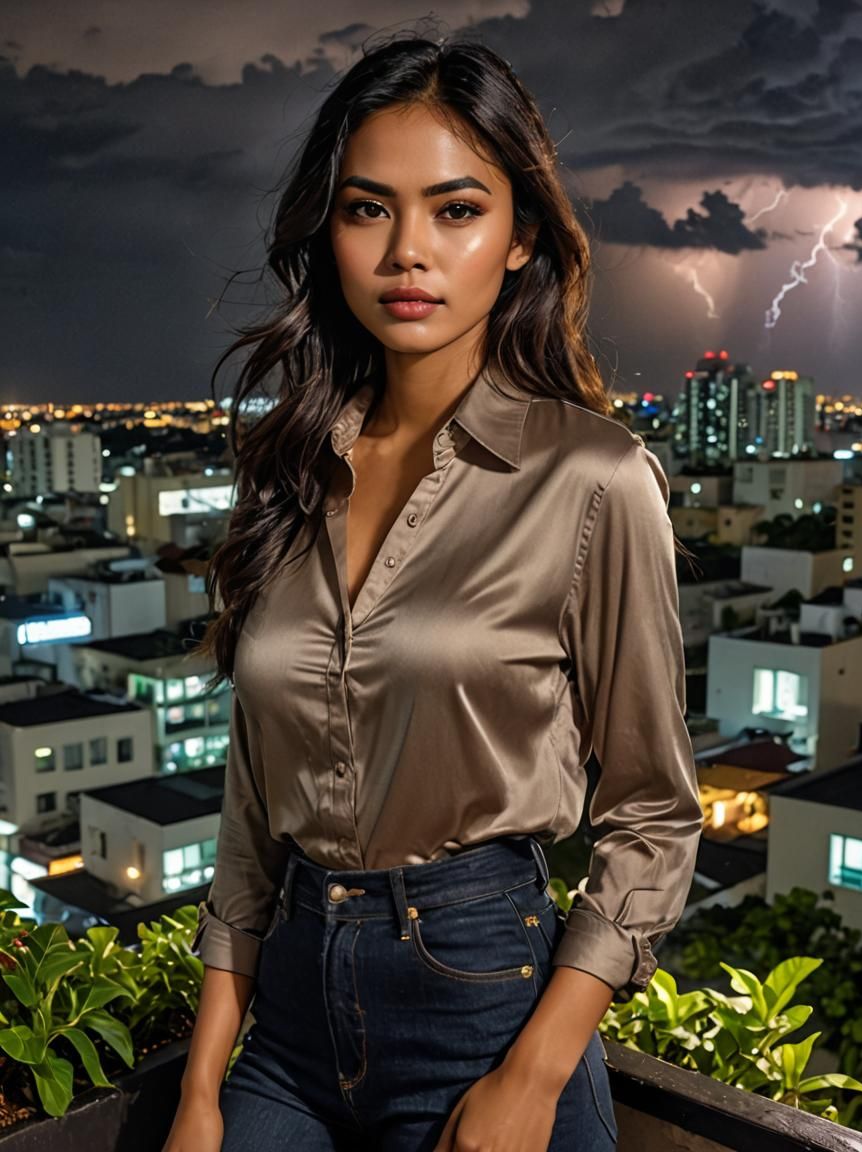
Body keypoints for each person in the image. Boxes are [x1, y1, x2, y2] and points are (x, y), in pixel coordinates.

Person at [164, 33, 704, 1152]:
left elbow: (650, 815)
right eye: (368, 209)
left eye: (455, 210)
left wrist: (534, 1078)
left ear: (519, 239)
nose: (407, 251)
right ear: (330, 231)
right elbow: (251, 818)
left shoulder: (591, 479)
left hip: (484, 1010)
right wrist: (203, 1092)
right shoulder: (291, 468)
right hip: (287, 1031)